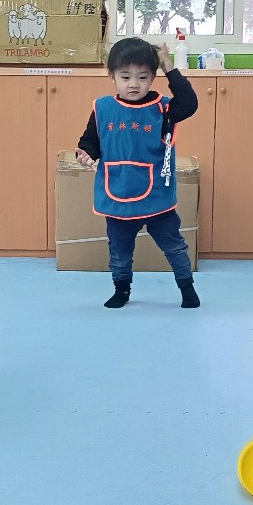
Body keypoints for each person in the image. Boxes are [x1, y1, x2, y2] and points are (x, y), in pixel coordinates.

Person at [75, 36, 199, 309]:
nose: (134, 84)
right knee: (119, 252)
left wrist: (167, 65)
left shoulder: (165, 109)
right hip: (117, 194)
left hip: (156, 197)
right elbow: (90, 141)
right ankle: (121, 291)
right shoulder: (103, 108)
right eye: (125, 77)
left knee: (174, 246)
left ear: (153, 77)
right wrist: (85, 153)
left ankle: (187, 289)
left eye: (142, 77)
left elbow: (190, 102)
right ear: (112, 76)